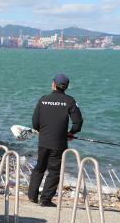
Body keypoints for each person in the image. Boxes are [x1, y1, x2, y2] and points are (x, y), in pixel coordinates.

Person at [28, 74, 83, 207]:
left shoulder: (43, 100)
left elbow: (35, 122)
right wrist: (71, 133)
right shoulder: (70, 101)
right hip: (59, 142)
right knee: (54, 171)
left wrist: (42, 130)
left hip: (43, 141)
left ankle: (32, 196)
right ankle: (45, 199)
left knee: (39, 168)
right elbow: (78, 122)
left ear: (53, 84)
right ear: (66, 87)